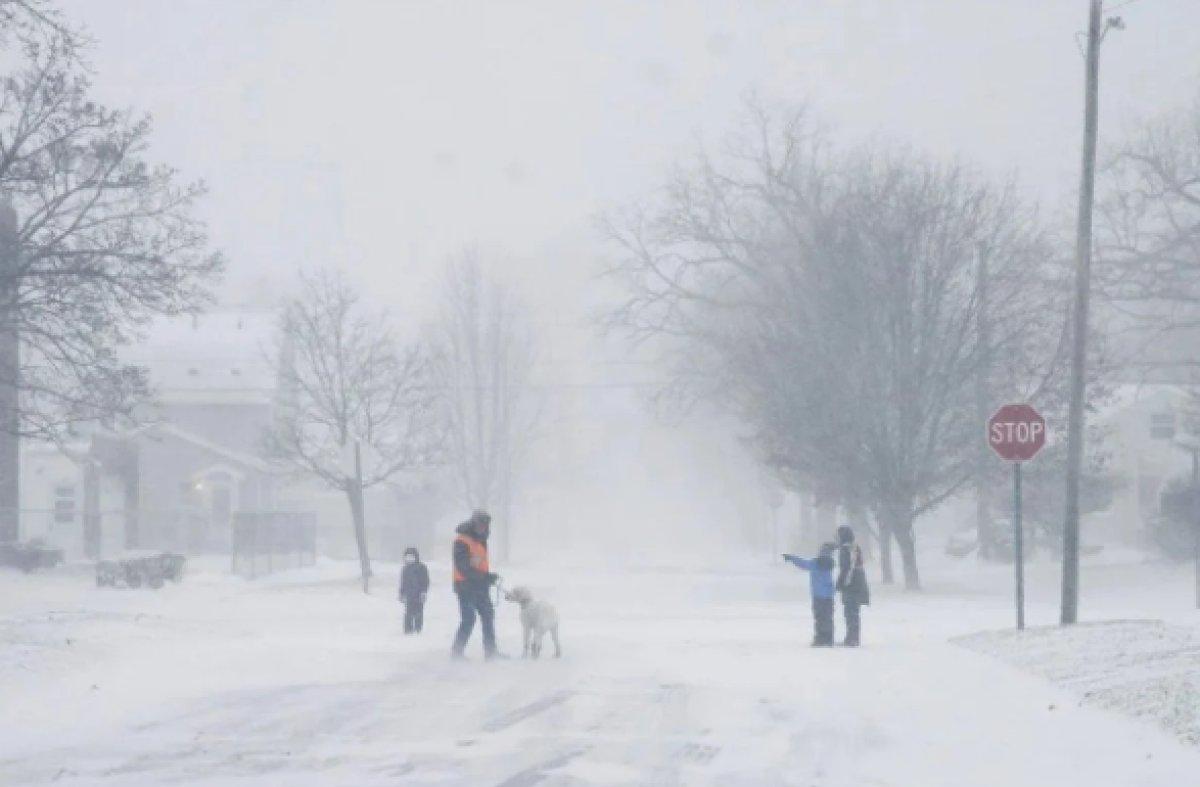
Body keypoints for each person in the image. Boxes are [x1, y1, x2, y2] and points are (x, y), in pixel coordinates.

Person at [450, 510, 502, 659]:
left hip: (480, 586)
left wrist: (487, 577)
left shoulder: (481, 540)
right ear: (473, 523)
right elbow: (463, 567)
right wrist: (484, 577)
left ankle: (491, 651)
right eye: (480, 524)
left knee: (488, 615)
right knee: (469, 619)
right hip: (464, 586)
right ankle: (457, 652)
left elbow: (478, 563)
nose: (483, 527)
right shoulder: (462, 541)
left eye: (485, 525)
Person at [783, 543, 838, 647]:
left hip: (818, 596)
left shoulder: (815, 563)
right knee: (828, 618)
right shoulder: (830, 564)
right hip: (829, 596)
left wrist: (791, 558)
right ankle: (829, 638)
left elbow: (802, 563)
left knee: (819, 617)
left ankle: (820, 638)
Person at [835, 525, 870, 647]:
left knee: (850, 612)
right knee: (854, 611)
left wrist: (840, 583)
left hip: (851, 584)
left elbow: (846, 568)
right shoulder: (855, 547)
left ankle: (852, 639)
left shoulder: (845, 549)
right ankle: (853, 637)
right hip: (859, 582)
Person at [398, 547, 430, 634]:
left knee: (418, 612)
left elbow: (425, 581)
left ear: (416, 557)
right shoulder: (405, 569)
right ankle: (408, 630)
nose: (409, 558)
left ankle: (418, 629)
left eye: (411, 556)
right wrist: (401, 593)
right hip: (409, 595)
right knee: (408, 612)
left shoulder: (422, 567)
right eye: (407, 556)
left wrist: (424, 591)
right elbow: (403, 582)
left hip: (419, 594)